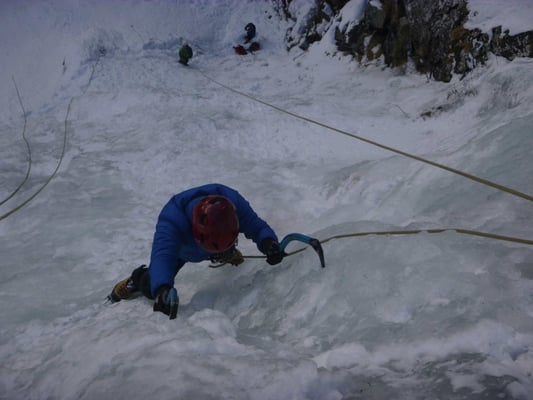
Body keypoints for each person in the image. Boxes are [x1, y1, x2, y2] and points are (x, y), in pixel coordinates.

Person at [108, 183, 284, 319]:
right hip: (181, 251)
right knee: (151, 285)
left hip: (215, 240)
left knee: (224, 250)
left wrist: (268, 242)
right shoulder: (172, 222)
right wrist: (162, 288)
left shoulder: (232, 204)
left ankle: (227, 253)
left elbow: (255, 225)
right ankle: (135, 280)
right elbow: (163, 257)